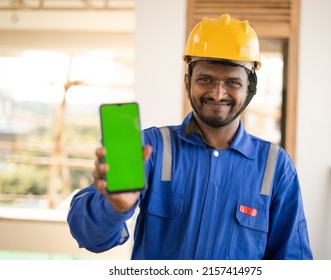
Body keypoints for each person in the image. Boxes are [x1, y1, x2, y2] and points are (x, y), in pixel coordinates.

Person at [67, 14, 313, 260]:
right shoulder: (151, 148)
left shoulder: (275, 166)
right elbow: (87, 235)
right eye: (206, 79)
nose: (218, 94)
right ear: (188, 83)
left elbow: (293, 261)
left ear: (249, 89)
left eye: (232, 82)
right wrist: (112, 208)